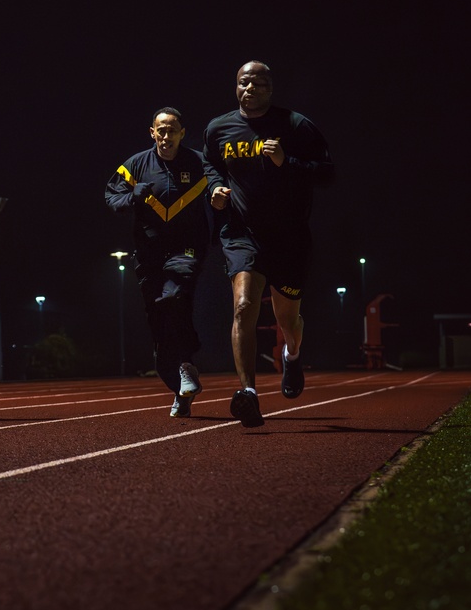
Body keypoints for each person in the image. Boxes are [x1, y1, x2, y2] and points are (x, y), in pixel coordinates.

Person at [203, 61, 334, 428]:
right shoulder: (218, 128)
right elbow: (210, 166)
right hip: (241, 233)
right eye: (245, 83)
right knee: (244, 306)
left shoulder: (296, 125)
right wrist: (214, 189)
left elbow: (327, 173)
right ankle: (249, 394)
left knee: (286, 320)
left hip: (289, 238)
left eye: (259, 84)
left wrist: (285, 161)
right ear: (236, 86)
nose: (251, 89)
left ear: (270, 89)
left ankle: (292, 356)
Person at [106, 107, 211, 418]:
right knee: (157, 319)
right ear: (152, 132)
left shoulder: (198, 163)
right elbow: (111, 197)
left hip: (186, 249)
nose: (166, 136)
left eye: (172, 130)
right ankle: (181, 386)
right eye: (160, 130)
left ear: (182, 133)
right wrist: (132, 197)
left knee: (174, 297)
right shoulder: (136, 164)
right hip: (149, 253)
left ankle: (187, 365)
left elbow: (224, 189)